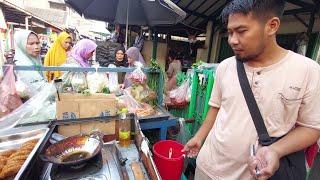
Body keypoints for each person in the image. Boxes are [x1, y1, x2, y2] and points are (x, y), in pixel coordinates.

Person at [182, 0, 320, 180]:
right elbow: (216, 107)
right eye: (230, 32)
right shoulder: (225, 67)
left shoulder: (306, 70)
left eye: (241, 31)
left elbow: (311, 128)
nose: (232, 40)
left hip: (253, 175)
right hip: (208, 168)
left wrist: (275, 151)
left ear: (272, 26)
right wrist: (199, 137)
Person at [14, 30, 45, 96]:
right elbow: (40, 88)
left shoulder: (35, 61)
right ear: (21, 45)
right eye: (31, 44)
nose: (36, 47)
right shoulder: (21, 66)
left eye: (37, 43)